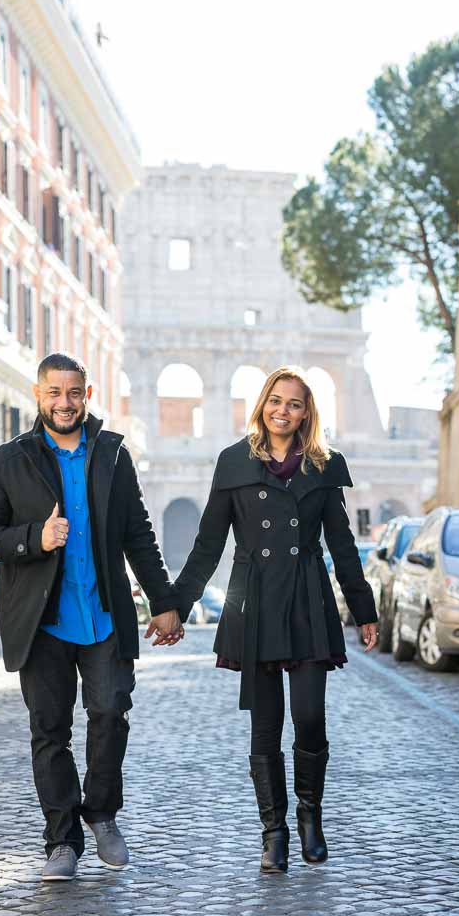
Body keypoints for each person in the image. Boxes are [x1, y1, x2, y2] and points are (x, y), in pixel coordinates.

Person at [0, 352, 183, 882]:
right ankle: (61, 841)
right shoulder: (7, 460)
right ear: (38, 396)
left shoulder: (111, 455)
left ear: (87, 395)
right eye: (54, 393)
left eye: (75, 393)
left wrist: (165, 601)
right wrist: (32, 539)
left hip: (104, 616)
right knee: (50, 731)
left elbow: (139, 534)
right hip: (42, 623)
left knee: (110, 714)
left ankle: (102, 812)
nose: (65, 403)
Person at [172, 366, 378, 874]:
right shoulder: (233, 462)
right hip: (255, 600)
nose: (283, 411)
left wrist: (364, 608)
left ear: (308, 412)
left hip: (308, 597)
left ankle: (311, 816)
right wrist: (176, 604)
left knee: (309, 717)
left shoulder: (324, 466)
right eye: (276, 400)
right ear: (262, 404)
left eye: (295, 403)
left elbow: (342, 544)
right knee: (264, 728)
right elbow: (207, 545)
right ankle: (274, 832)